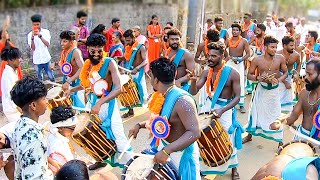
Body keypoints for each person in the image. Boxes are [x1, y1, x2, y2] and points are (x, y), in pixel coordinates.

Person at [66, 33, 132, 170]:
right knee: (94, 133)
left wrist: (100, 103)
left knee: (117, 135)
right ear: (88, 49)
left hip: (108, 105)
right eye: (92, 51)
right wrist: (71, 90)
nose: (96, 54)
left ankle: (130, 164)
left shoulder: (110, 63)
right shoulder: (87, 64)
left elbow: (118, 88)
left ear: (104, 49)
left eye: (99, 51)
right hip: (93, 104)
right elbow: (87, 85)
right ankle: (100, 158)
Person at [128, 57, 201, 180]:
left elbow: (194, 132)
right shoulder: (161, 95)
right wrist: (139, 125)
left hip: (181, 156)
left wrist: (167, 150)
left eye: (150, 76)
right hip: (166, 149)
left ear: (155, 79)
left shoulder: (182, 101)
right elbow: (162, 123)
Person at [190, 41, 243, 179]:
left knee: (226, 136)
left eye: (213, 56)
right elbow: (194, 91)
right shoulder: (206, 72)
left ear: (221, 56)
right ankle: (205, 166)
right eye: (208, 55)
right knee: (205, 135)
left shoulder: (233, 74)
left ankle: (234, 167)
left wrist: (222, 110)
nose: (209, 58)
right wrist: (193, 81)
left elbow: (237, 98)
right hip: (208, 106)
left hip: (224, 109)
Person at [243, 36, 288, 145]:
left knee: (276, 114)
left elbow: (286, 72)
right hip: (261, 90)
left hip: (274, 92)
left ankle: (280, 142)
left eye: (276, 47)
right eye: (272, 47)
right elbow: (249, 75)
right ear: (265, 47)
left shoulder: (280, 58)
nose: (274, 49)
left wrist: (279, 80)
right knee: (256, 112)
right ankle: (250, 135)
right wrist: (258, 78)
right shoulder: (257, 60)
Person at [11, 76, 52, 179]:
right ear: (33, 105)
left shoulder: (20, 125)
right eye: (43, 99)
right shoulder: (34, 138)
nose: (46, 102)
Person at [270, 60, 320, 142]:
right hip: (301, 136)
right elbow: (294, 114)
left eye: (310, 74)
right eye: (306, 73)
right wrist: (280, 122)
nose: (305, 77)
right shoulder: (304, 93)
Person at [117, 29, 148, 118]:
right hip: (129, 71)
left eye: (128, 40)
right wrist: (118, 58)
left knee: (140, 92)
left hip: (138, 72)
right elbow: (126, 57)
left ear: (134, 38)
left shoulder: (141, 47)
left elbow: (145, 60)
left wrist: (137, 68)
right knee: (129, 91)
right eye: (125, 40)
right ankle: (130, 110)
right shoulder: (128, 47)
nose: (126, 42)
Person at [226, 23, 251, 113]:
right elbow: (223, 50)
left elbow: (248, 53)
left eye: (237, 30)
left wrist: (241, 59)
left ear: (240, 32)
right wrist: (228, 57)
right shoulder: (228, 40)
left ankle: (241, 104)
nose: (235, 32)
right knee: (228, 81)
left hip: (239, 63)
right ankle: (229, 102)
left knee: (239, 82)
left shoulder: (244, 41)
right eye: (233, 30)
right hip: (230, 62)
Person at [47, 106, 77, 174]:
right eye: (72, 128)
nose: (73, 131)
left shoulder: (55, 135)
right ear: (60, 128)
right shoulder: (56, 148)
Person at [59, 30, 85, 108]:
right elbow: (65, 64)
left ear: (71, 42)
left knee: (79, 106)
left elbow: (82, 68)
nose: (61, 43)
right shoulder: (64, 52)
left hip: (77, 82)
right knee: (69, 104)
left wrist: (69, 81)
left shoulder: (75, 52)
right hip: (68, 80)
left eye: (64, 41)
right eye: (61, 41)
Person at [27, 14, 55, 82]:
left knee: (51, 76)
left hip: (46, 59)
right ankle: (41, 91)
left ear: (40, 24)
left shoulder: (46, 32)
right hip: (37, 60)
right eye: (34, 25)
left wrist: (40, 36)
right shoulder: (30, 34)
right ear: (32, 25)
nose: (36, 26)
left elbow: (47, 44)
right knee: (39, 79)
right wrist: (32, 38)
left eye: (37, 24)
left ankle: (55, 89)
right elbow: (33, 48)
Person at [277, 36, 301, 113]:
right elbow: (275, 70)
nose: (293, 47)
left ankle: (286, 119)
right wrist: (285, 82)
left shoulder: (296, 55)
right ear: (284, 45)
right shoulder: (277, 55)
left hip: (289, 77)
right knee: (277, 99)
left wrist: (296, 73)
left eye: (294, 45)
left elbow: (299, 64)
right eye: (291, 45)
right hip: (278, 77)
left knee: (288, 100)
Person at [1, 48, 22, 123]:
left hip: (15, 108)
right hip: (12, 111)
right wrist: (19, 108)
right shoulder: (7, 75)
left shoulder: (13, 71)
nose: (20, 60)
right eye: (18, 58)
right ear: (11, 60)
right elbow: (10, 95)